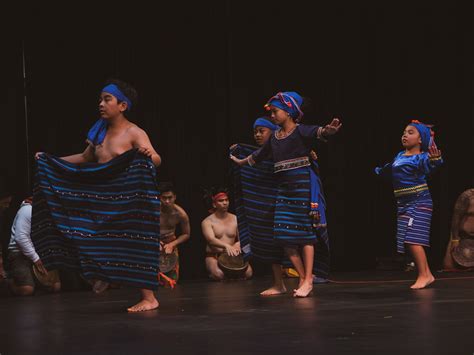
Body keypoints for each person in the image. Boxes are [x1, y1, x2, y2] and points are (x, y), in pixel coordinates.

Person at [34, 79, 162, 312]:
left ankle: (149, 297)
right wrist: (50, 160)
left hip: (129, 202)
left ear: (122, 105)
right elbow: (85, 158)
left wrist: (146, 154)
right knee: (86, 234)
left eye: (107, 99)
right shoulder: (99, 133)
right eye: (100, 99)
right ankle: (103, 272)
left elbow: (157, 159)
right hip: (103, 200)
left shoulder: (134, 132)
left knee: (135, 245)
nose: (101, 104)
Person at [230, 92, 341, 297]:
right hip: (284, 193)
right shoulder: (275, 138)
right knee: (283, 238)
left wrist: (328, 130)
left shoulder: (301, 132)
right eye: (271, 112)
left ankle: (307, 279)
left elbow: (320, 132)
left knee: (306, 237)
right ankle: (303, 277)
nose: (272, 115)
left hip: (302, 191)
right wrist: (241, 162)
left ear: (289, 111)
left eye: (275, 111)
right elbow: (258, 156)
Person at [375, 120, 443, 289]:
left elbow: (432, 165)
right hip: (403, 203)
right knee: (408, 239)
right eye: (404, 132)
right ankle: (427, 274)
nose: (405, 135)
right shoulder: (399, 155)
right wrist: (380, 170)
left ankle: (424, 275)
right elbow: (392, 170)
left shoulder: (422, 157)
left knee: (413, 239)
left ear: (421, 139)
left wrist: (435, 159)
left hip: (419, 200)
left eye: (411, 132)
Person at [7, 197, 60, 296]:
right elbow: (20, 238)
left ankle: (36, 284)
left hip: (38, 253)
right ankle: (8, 283)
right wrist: (36, 259)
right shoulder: (28, 210)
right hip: (19, 253)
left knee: (56, 286)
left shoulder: (48, 212)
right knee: (27, 289)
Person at [201, 189, 253, 281]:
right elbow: (210, 239)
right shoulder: (207, 221)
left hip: (233, 257)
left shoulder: (235, 219)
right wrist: (227, 246)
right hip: (214, 256)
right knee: (219, 275)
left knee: (248, 273)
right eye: (221, 201)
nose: (225, 203)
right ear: (214, 204)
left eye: (226, 200)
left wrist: (238, 243)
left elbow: (243, 237)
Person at [158, 182, 191, 285]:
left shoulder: (181, 214)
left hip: (170, 243)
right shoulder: (153, 211)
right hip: (154, 242)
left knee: (172, 281)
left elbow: (186, 234)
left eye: (170, 197)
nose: (167, 201)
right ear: (159, 197)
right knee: (153, 281)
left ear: (175, 197)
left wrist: (173, 244)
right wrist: (154, 241)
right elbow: (143, 229)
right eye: (164, 198)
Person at [443, 189, 474, 270]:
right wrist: (455, 239)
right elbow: (456, 217)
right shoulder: (467, 196)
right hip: (461, 237)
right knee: (449, 267)